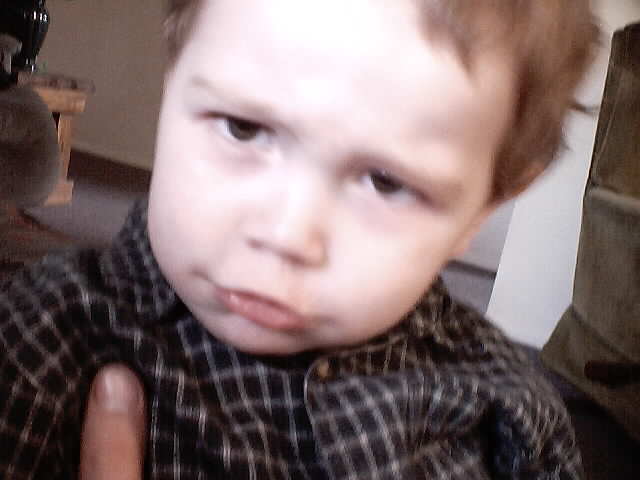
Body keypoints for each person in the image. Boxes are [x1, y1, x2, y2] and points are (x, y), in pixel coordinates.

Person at [0, 0, 599, 478]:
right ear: (171, 79)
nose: (286, 235)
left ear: (483, 209)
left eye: (386, 182)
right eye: (243, 128)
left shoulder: (512, 409)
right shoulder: (40, 343)